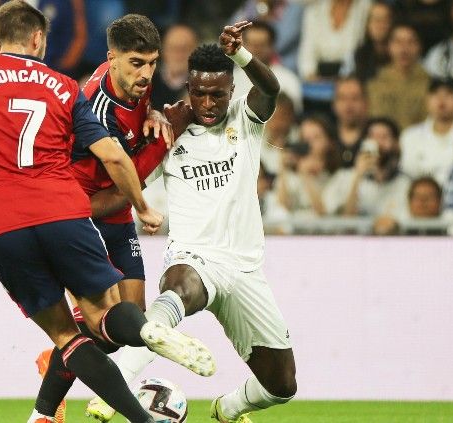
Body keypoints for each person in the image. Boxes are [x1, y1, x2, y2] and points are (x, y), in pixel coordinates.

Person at [0, 2, 213, 422]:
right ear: (39, 40)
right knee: (106, 314)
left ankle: (73, 415)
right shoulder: (65, 86)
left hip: (2, 226)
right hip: (64, 214)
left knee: (68, 338)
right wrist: (142, 206)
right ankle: (143, 330)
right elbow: (115, 157)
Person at [86, 23, 297, 423]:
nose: (207, 102)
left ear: (231, 91)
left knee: (281, 386)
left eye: (217, 94)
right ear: (188, 89)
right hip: (193, 257)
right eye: (198, 93)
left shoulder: (246, 118)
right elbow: (125, 184)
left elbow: (270, 89)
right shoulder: (168, 128)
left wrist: (241, 54)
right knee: (179, 288)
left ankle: (228, 409)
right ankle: (113, 389)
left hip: (246, 269)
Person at [30, 14, 183, 423]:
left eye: (152, 62)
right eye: (136, 63)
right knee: (108, 323)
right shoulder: (97, 105)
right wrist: (145, 206)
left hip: (115, 215)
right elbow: (120, 164)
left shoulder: (135, 88)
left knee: (127, 327)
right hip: (86, 212)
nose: (146, 73)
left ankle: (59, 356)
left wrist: (158, 116)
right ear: (111, 57)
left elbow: (136, 136)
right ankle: (45, 412)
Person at [366, 23, 430, 129]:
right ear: (389, 46)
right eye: (398, 42)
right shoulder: (374, 82)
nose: (404, 49)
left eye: (411, 42)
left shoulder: (430, 83)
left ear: (419, 47)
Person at [400, 78, 453, 179]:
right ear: (426, 100)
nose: (441, 99)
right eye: (435, 93)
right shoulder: (410, 136)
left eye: (449, 94)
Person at [332, 76, 369, 167]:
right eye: (342, 98)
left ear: (366, 103)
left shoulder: (375, 137)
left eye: (355, 98)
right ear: (334, 104)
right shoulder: (326, 138)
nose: (348, 105)